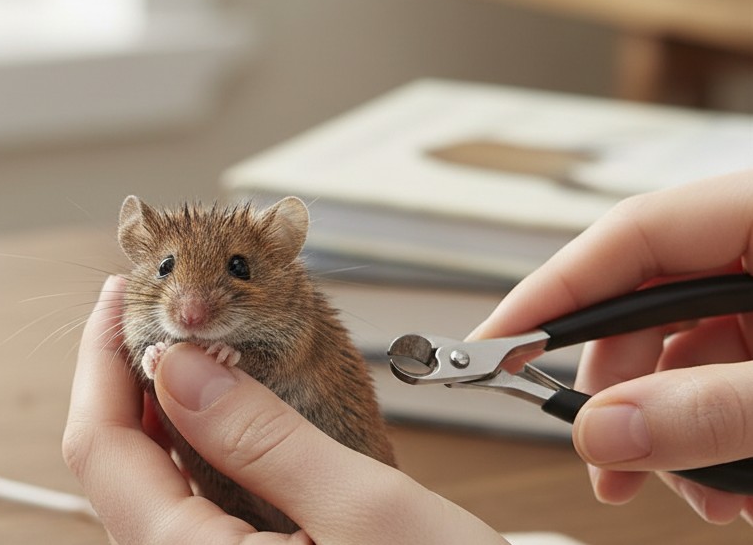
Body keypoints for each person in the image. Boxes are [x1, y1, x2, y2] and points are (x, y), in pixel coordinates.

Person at [63, 170, 753, 543]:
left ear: (279, 254)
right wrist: (156, 357)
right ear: (141, 252)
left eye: (237, 270)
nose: (192, 304)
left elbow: (285, 356)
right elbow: (141, 347)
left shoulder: (293, 317)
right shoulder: (147, 316)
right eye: (168, 271)